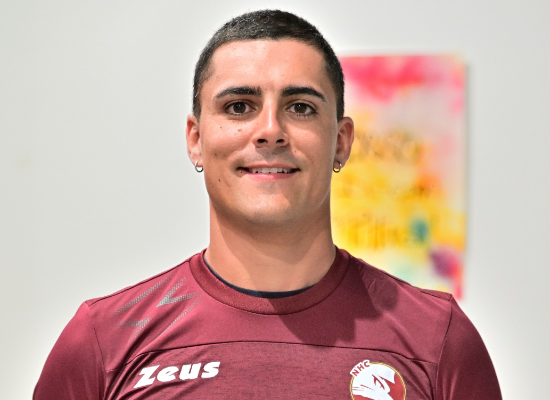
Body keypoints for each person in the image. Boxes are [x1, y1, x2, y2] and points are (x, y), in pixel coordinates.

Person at [34, 10, 501, 400]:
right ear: (195, 140)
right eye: (239, 106)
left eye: (301, 107)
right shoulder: (104, 342)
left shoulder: (438, 340)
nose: (270, 131)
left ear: (341, 142)